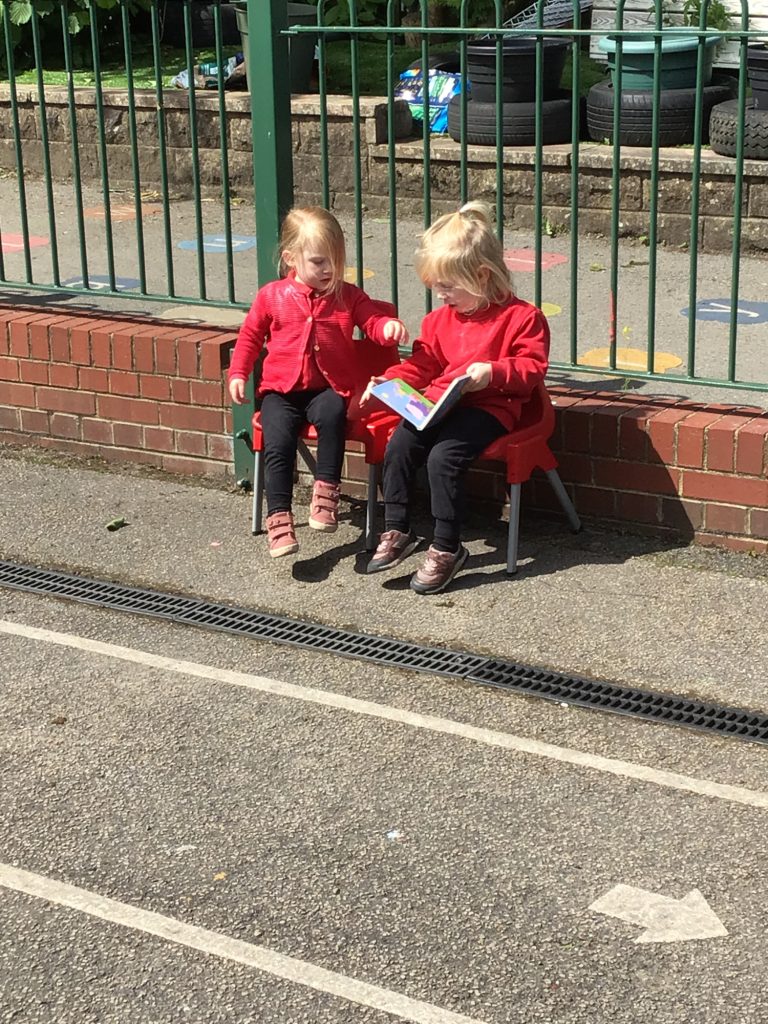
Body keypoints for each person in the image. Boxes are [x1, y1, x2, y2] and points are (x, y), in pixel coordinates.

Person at [362, 201, 550, 595]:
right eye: (436, 286)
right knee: (400, 443)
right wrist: (388, 382)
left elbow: (532, 368)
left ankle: (447, 547)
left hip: (491, 407)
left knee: (443, 458)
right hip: (437, 404)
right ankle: (397, 528)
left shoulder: (523, 317)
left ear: (481, 275)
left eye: (448, 286)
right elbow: (422, 365)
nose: (440, 295)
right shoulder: (437, 321)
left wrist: (493, 372)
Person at [229, 207, 408, 557]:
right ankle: (279, 517)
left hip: (328, 387)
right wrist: (239, 372)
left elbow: (371, 319)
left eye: (335, 261)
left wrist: (386, 327)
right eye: (318, 262)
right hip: (281, 391)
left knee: (332, 415)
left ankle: (326, 492)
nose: (329, 270)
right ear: (290, 258)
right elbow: (250, 336)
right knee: (278, 440)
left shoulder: (348, 295)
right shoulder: (272, 296)